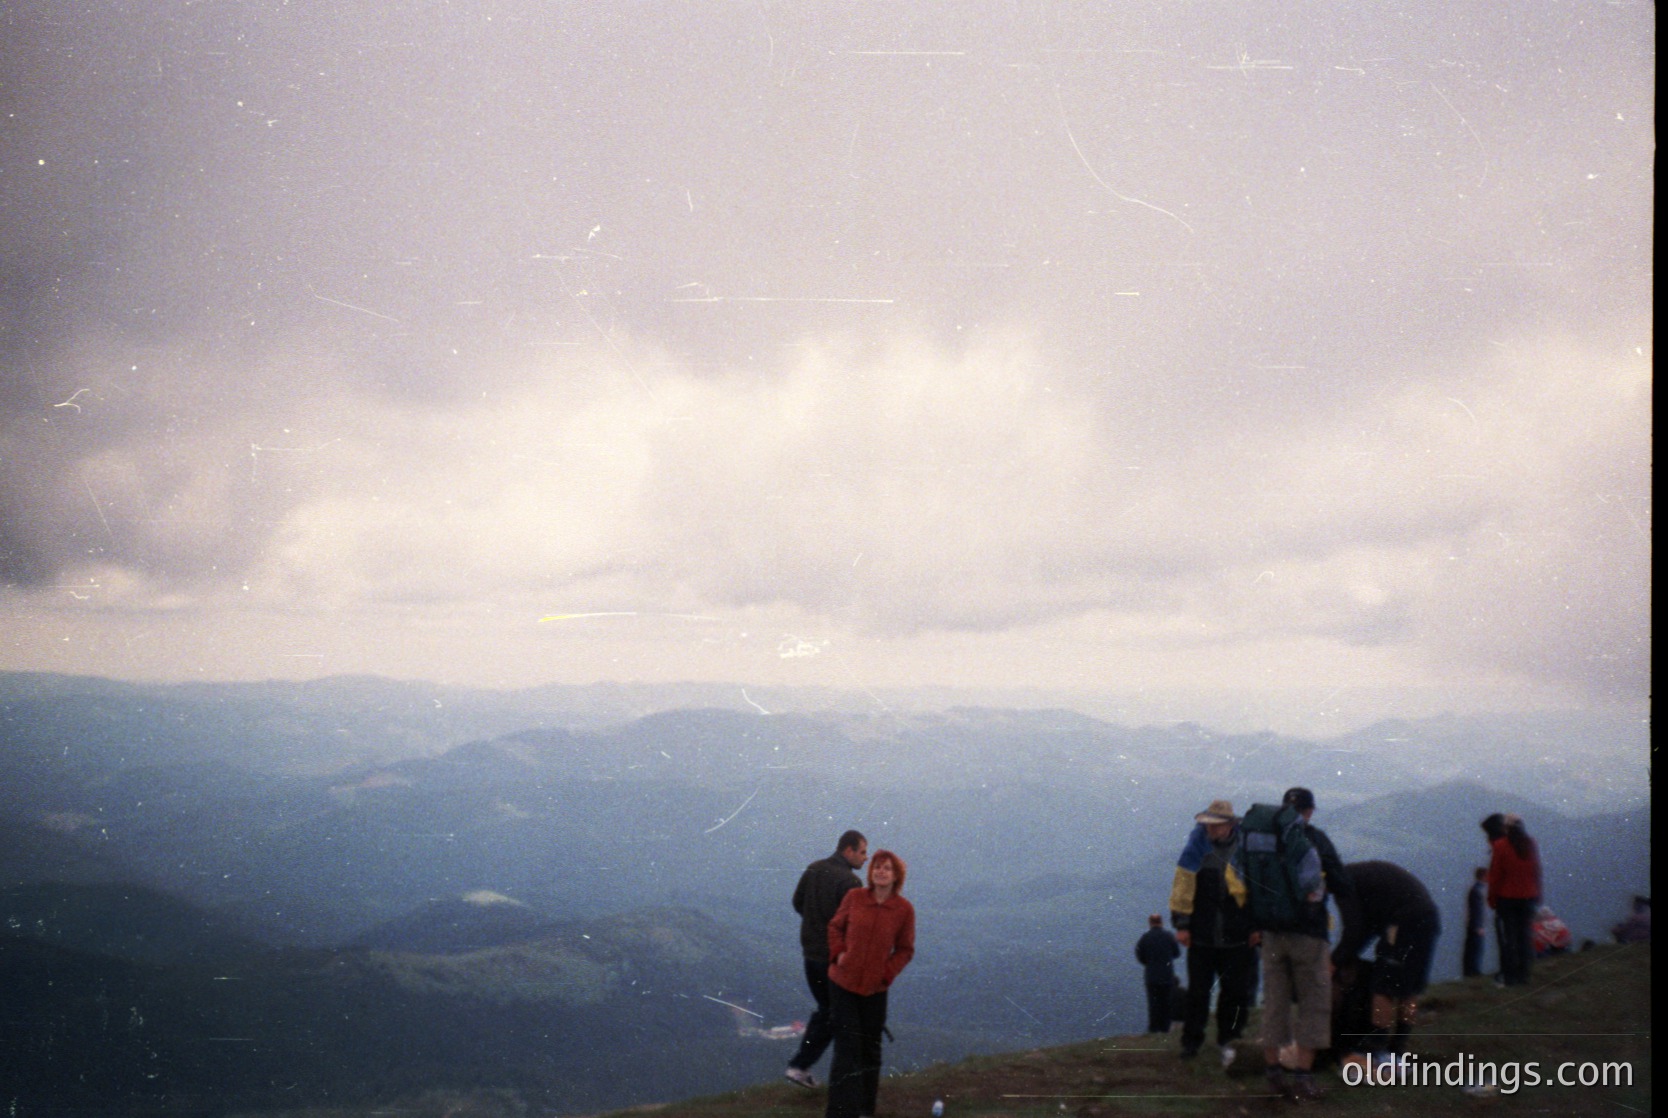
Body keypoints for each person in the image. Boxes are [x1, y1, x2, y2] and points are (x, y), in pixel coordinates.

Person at [1253, 787, 1351, 1103]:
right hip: (1309, 934)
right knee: (1313, 1002)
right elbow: (1341, 882)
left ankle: (1272, 1073)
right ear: (1309, 811)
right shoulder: (1316, 839)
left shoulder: (1266, 838)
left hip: (1270, 933)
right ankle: (1303, 1078)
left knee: (1275, 1001)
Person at [826, 849, 915, 1118]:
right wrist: (839, 953)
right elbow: (834, 927)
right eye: (877, 867)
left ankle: (865, 1110)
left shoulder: (903, 910)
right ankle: (840, 1113)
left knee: (870, 1050)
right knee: (846, 1048)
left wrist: (886, 974)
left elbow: (905, 950)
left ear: (896, 875)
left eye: (887, 868)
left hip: (875, 989)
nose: (880, 872)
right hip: (842, 983)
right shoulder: (854, 898)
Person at [1168, 799, 1257, 1065]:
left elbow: (1258, 894)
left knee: (1235, 992)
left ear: (1230, 825)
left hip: (1237, 935)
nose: (1211, 830)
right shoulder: (1195, 851)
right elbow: (1183, 890)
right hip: (1203, 934)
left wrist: (1257, 927)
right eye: (1208, 825)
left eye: (1216, 825)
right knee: (1198, 992)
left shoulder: (1246, 853)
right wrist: (1182, 925)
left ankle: (1230, 1040)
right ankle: (1191, 1043)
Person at [1332, 860, 1441, 1058]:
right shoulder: (1357, 875)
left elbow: (1353, 930)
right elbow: (1367, 928)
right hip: (1427, 918)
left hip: (1403, 923)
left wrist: (1335, 961)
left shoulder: (1342, 883)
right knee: (1410, 988)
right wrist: (1348, 954)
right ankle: (1398, 1046)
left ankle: (1377, 1046)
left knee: (1383, 986)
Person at [785, 830, 867, 1088]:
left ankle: (801, 1066)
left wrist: (814, 923)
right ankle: (803, 1067)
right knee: (839, 1014)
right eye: (862, 852)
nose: (866, 858)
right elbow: (855, 926)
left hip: (810, 955)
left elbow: (798, 902)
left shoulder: (814, 869)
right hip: (833, 959)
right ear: (848, 850)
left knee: (827, 1011)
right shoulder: (851, 883)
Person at [1487, 813, 1542, 986]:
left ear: (1506, 827)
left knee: (1509, 939)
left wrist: (1491, 899)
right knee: (1524, 936)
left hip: (1507, 898)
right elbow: (1536, 870)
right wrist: (1537, 892)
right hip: (1529, 896)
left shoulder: (1500, 846)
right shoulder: (1530, 843)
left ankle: (1510, 977)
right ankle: (1524, 975)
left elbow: (1495, 875)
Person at [1135, 914, 1181, 1034]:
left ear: (1150, 923)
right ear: (1161, 922)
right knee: (1166, 1002)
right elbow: (1177, 953)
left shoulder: (1145, 938)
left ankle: (1154, 1028)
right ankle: (1165, 1028)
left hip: (1151, 975)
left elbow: (1140, 955)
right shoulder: (1169, 936)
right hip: (1167, 974)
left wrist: (1149, 962)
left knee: (1153, 1003)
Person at [1463, 866, 1489, 977]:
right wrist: (1478, 926)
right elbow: (1476, 910)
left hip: (1473, 925)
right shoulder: (1477, 891)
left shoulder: (1475, 890)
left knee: (1473, 949)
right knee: (1475, 949)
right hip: (1475, 926)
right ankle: (1473, 971)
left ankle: (1471, 970)